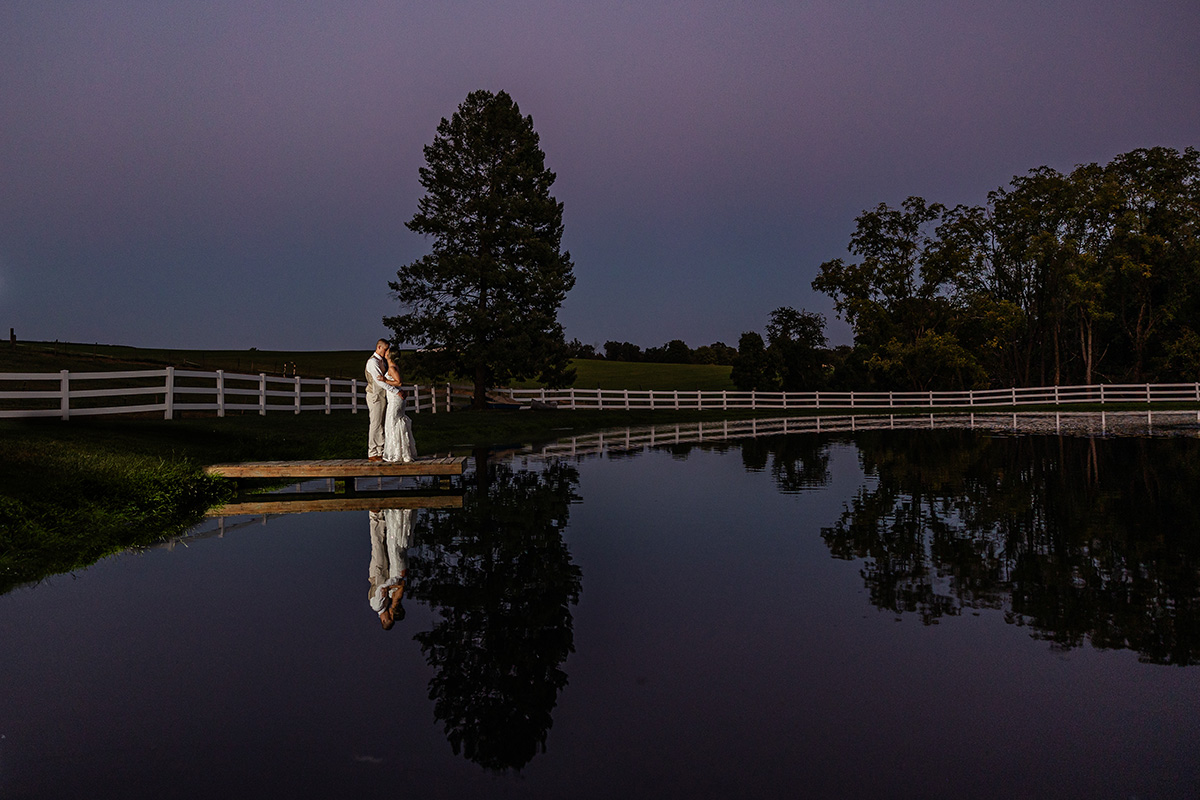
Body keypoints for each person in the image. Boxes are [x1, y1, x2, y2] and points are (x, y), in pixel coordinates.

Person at [368, 508, 413, 630]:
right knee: (385, 545)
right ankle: (385, 516)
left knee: (378, 546)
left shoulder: (377, 606)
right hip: (385, 574)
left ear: (384, 620)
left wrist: (394, 582)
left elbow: (382, 588)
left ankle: (375, 515)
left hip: (378, 575)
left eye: (389, 617)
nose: (390, 614)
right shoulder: (387, 605)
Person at [380, 349, 417, 463]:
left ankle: (396, 454)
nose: (385, 352)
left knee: (392, 424)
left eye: (387, 352)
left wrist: (385, 380)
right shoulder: (394, 367)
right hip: (395, 399)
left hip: (395, 400)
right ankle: (401, 452)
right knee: (396, 423)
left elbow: (399, 382)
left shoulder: (392, 368)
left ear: (390, 356)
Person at [365, 339, 390, 461]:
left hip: (382, 395)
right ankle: (372, 452)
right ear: (379, 347)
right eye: (385, 350)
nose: (387, 353)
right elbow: (379, 382)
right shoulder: (372, 362)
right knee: (375, 423)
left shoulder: (382, 361)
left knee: (381, 423)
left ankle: (381, 450)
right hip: (375, 395)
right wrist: (396, 391)